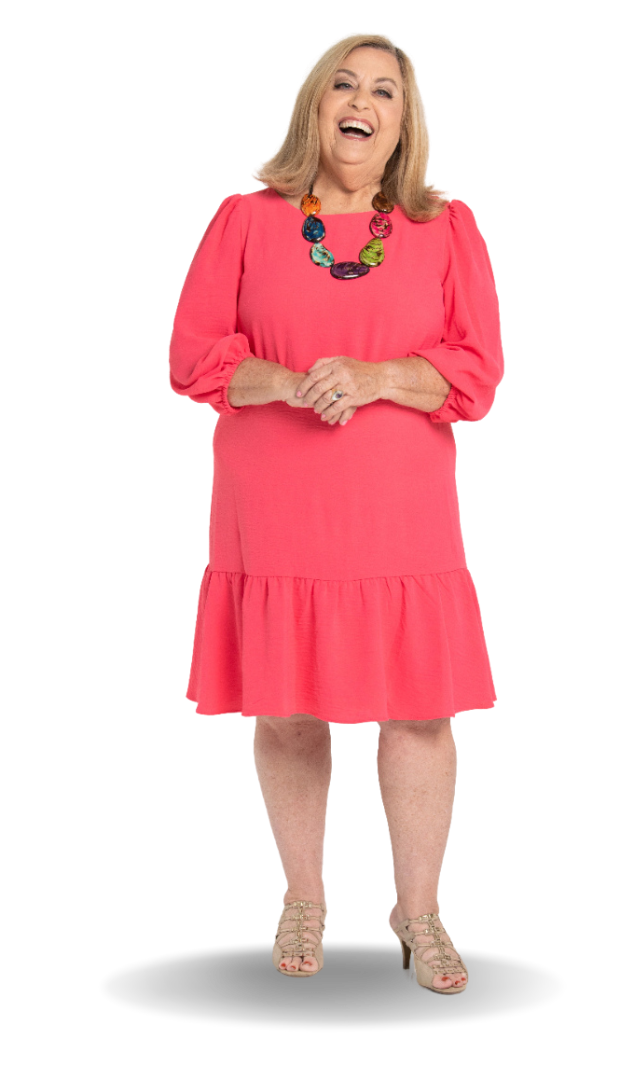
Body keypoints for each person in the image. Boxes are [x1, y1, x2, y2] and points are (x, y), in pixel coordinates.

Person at [167, 31, 502, 995]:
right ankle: (303, 901)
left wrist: (380, 376)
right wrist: (282, 380)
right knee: (287, 710)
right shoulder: (245, 219)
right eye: (343, 85)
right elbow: (194, 359)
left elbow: (476, 369)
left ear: (404, 122)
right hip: (275, 498)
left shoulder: (445, 226)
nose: (361, 103)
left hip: (399, 502)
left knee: (421, 714)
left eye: (384, 92)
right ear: (314, 105)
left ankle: (420, 916)